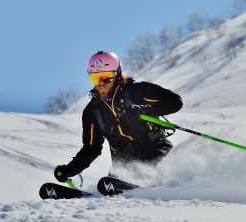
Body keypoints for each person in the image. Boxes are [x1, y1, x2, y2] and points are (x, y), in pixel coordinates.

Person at [54, 51, 182, 183]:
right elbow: (91, 149)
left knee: (154, 172)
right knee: (112, 181)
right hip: (124, 169)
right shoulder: (92, 112)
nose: (100, 84)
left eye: (106, 77)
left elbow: (175, 102)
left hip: (158, 154)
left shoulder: (136, 92)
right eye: (95, 78)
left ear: (117, 74)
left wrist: (146, 110)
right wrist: (70, 170)